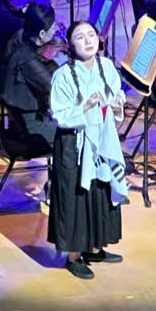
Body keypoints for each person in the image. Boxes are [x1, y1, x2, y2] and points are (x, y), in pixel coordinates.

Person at [48, 20, 127, 279]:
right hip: (73, 144)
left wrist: (115, 104)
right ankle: (73, 256)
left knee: (101, 191)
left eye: (91, 35)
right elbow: (59, 115)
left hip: (102, 140)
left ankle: (94, 246)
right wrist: (85, 107)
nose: (88, 41)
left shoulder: (107, 66)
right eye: (80, 37)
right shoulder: (63, 75)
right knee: (77, 197)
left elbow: (117, 98)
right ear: (71, 45)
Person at [1, 3, 61, 151]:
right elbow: (55, 87)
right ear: (42, 34)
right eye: (53, 27)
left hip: (18, 122)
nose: (56, 29)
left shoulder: (20, 37)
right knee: (76, 131)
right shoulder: (27, 59)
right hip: (31, 129)